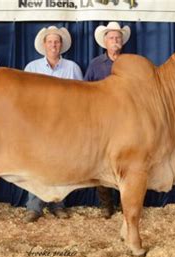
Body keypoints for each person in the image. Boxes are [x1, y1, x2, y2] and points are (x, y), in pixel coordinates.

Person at [23, 26, 83, 223]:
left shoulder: (72, 68)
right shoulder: (32, 68)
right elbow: (24, 97)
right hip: (37, 123)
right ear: (44, 45)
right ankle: (34, 207)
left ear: (61, 45)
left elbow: (81, 98)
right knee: (35, 164)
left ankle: (58, 204)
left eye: (57, 42)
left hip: (65, 124)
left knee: (62, 164)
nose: (53, 45)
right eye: (50, 42)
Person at [84, 22, 131, 218]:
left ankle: (126, 204)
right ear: (105, 42)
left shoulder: (130, 63)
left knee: (126, 162)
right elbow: (85, 90)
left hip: (126, 120)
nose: (115, 41)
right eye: (112, 38)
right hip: (102, 120)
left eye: (118, 38)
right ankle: (106, 205)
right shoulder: (96, 64)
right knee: (103, 162)